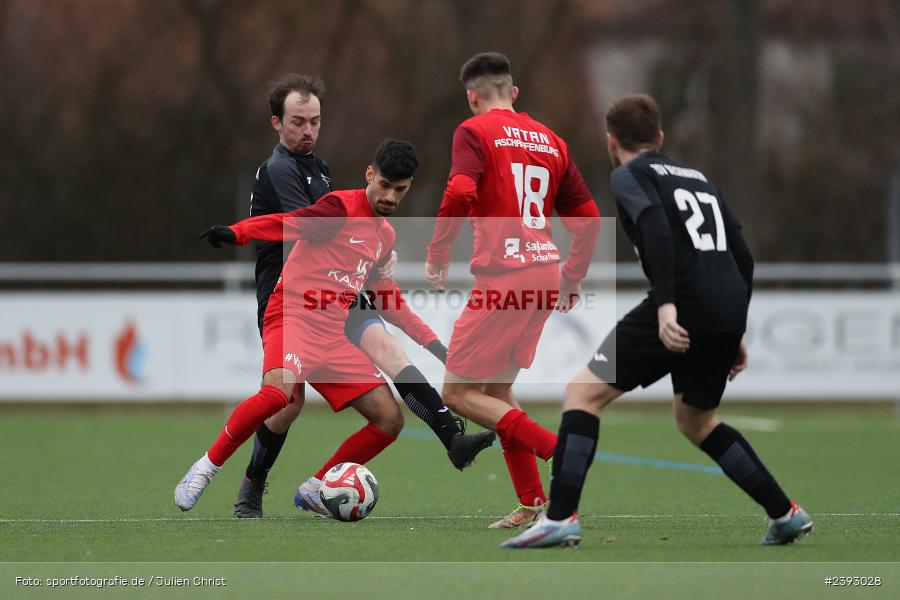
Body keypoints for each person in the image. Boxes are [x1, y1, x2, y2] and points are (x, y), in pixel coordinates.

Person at [502, 94, 813, 549]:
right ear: (660, 137)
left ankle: (560, 517)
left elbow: (655, 228)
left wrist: (667, 305)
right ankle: (785, 513)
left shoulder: (628, 175)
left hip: (681, 302)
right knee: (696, 419)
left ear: (612, 141)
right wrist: (735, 325)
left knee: (582, 394)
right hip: (724, 307)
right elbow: (741, 256)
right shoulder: (700, 179)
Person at [175, 140, 493, 513]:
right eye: (385, 185)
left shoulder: (384, 236)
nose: (390, 196)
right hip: (291, 316)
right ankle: (206, 468)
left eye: (401, 190)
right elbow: (285, 224)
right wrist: (237, 233)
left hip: (333, 335)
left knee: (389, 420)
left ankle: (316, 487)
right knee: (279, 396)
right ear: (369, 175)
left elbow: (389, 301)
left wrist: (438, 347)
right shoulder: (339, 207)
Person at [425, 52, 601, 529]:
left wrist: (438, 252)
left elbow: (460, 191)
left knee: (459, 394)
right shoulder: (552, 141)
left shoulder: (473, 131)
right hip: (544, 273)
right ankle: (532, 503)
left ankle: (558, 451)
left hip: (505, 277)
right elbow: (587, 221)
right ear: (514, 92)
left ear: (472, 96)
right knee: (498, 391)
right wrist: (572, 278)